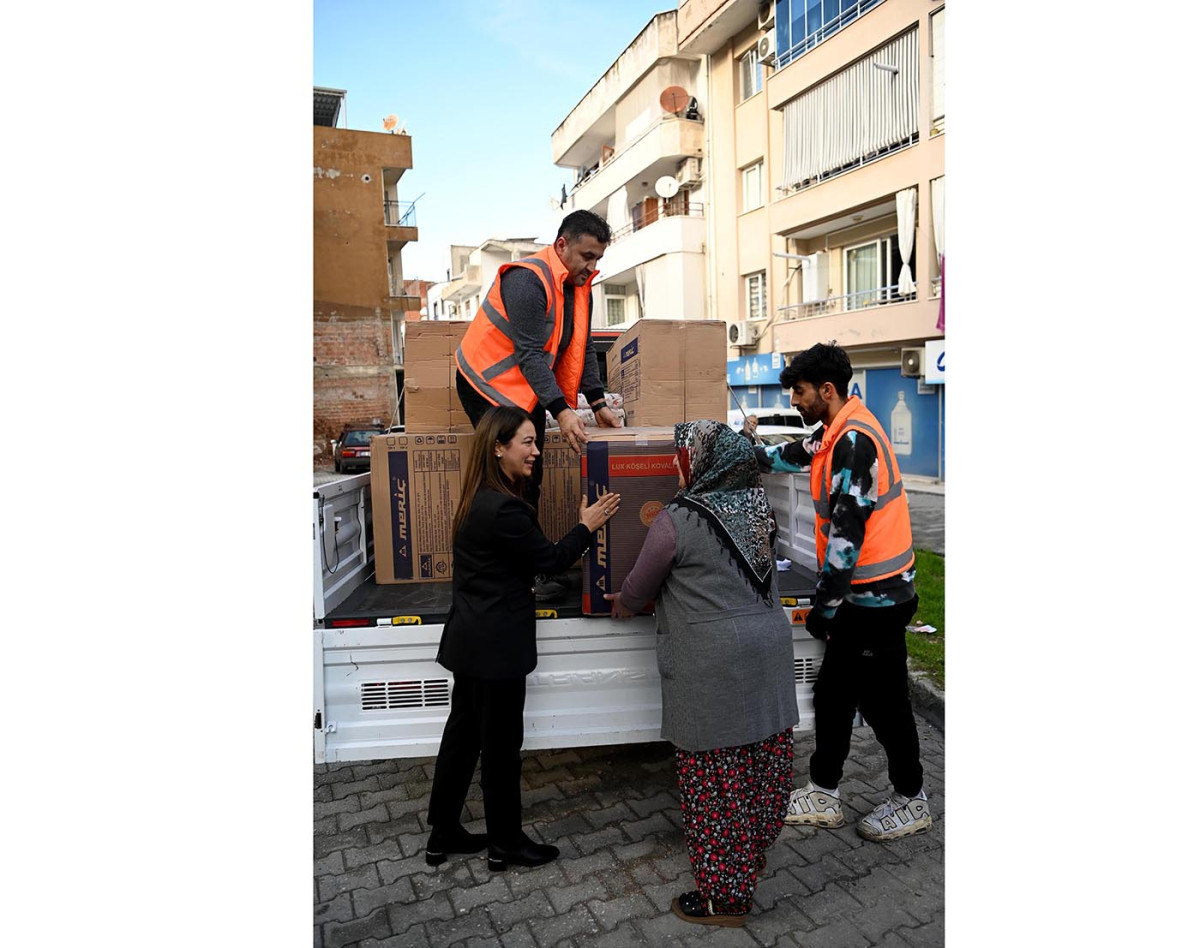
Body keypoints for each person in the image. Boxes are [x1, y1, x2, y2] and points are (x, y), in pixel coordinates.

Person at [604, 419, 799, 927]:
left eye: (682, 456)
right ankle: (749, 856)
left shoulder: (677, 519)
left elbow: (640, 585)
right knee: (762, 764)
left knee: (716, 781)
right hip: (770, 651)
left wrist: (623, 603)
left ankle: (725, 900)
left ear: (703, 462)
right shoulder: (760, 511)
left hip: (714, 664)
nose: (675, 464)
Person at [424, 405, 621, 871]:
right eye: (528, 442)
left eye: (536, 441)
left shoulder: (479, 496)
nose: (536, 450)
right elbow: (549, 559)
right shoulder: (504, 508)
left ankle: (443, 832)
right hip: (496, 651)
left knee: (462, 738)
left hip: (470, 642)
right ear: (498, 447)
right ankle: (505, 844)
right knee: (499, 748)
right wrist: (587, 526)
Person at [754, 342, 932, 842]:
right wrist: (750, 457)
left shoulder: (855, 443)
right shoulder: (835, 433)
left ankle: (911, 798)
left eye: (800, 392)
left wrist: (823, 610)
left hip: (877, 602)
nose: (795, 401)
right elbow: (796, 452)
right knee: (833, 695)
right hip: (864, 600)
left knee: (885, 703)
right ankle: (824, 790)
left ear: (826, 391)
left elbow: (846, 541)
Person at [455, 209, 622, 601]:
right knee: (509, 473)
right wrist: (562, 411)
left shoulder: (580, 288)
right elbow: (530, 354)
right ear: (561, 245)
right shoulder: (528, 280)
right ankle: (520, 571)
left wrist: (596, 403)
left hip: (524, 390)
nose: (591, 266)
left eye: (598, 258)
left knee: (531, 470)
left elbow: (578, 350)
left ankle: (531, 566)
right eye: (586, 256)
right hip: (486, 383)